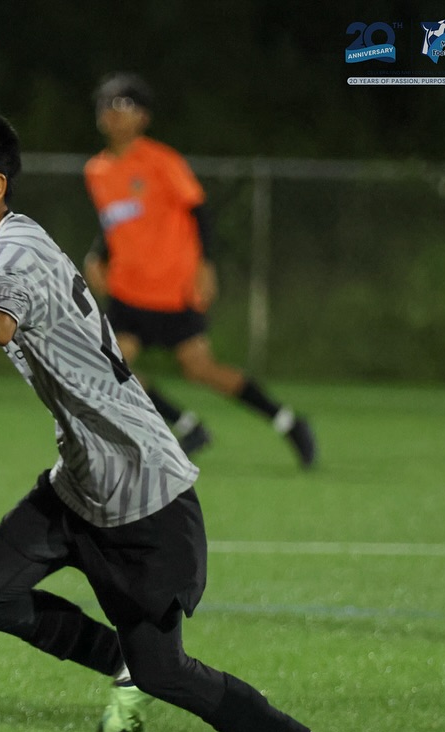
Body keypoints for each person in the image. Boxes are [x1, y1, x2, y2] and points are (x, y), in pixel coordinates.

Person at [0, 106, 359, 732]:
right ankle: (118, 661)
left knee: (170, 673)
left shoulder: (13, 256)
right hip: (81, 481)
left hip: (141, 491)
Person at [82, 72, 316, 468]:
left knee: (200, 368)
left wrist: (206, 265)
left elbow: (199, 212)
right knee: (109, 365)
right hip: (128, 289)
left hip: (172, 288)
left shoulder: (162, 161)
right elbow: (117, 224)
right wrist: (96, 257)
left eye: (123, 105)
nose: (113, 115)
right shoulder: (97, 170)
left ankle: (288, 421)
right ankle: (186, 426)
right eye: (107, 106)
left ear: (143, 116)